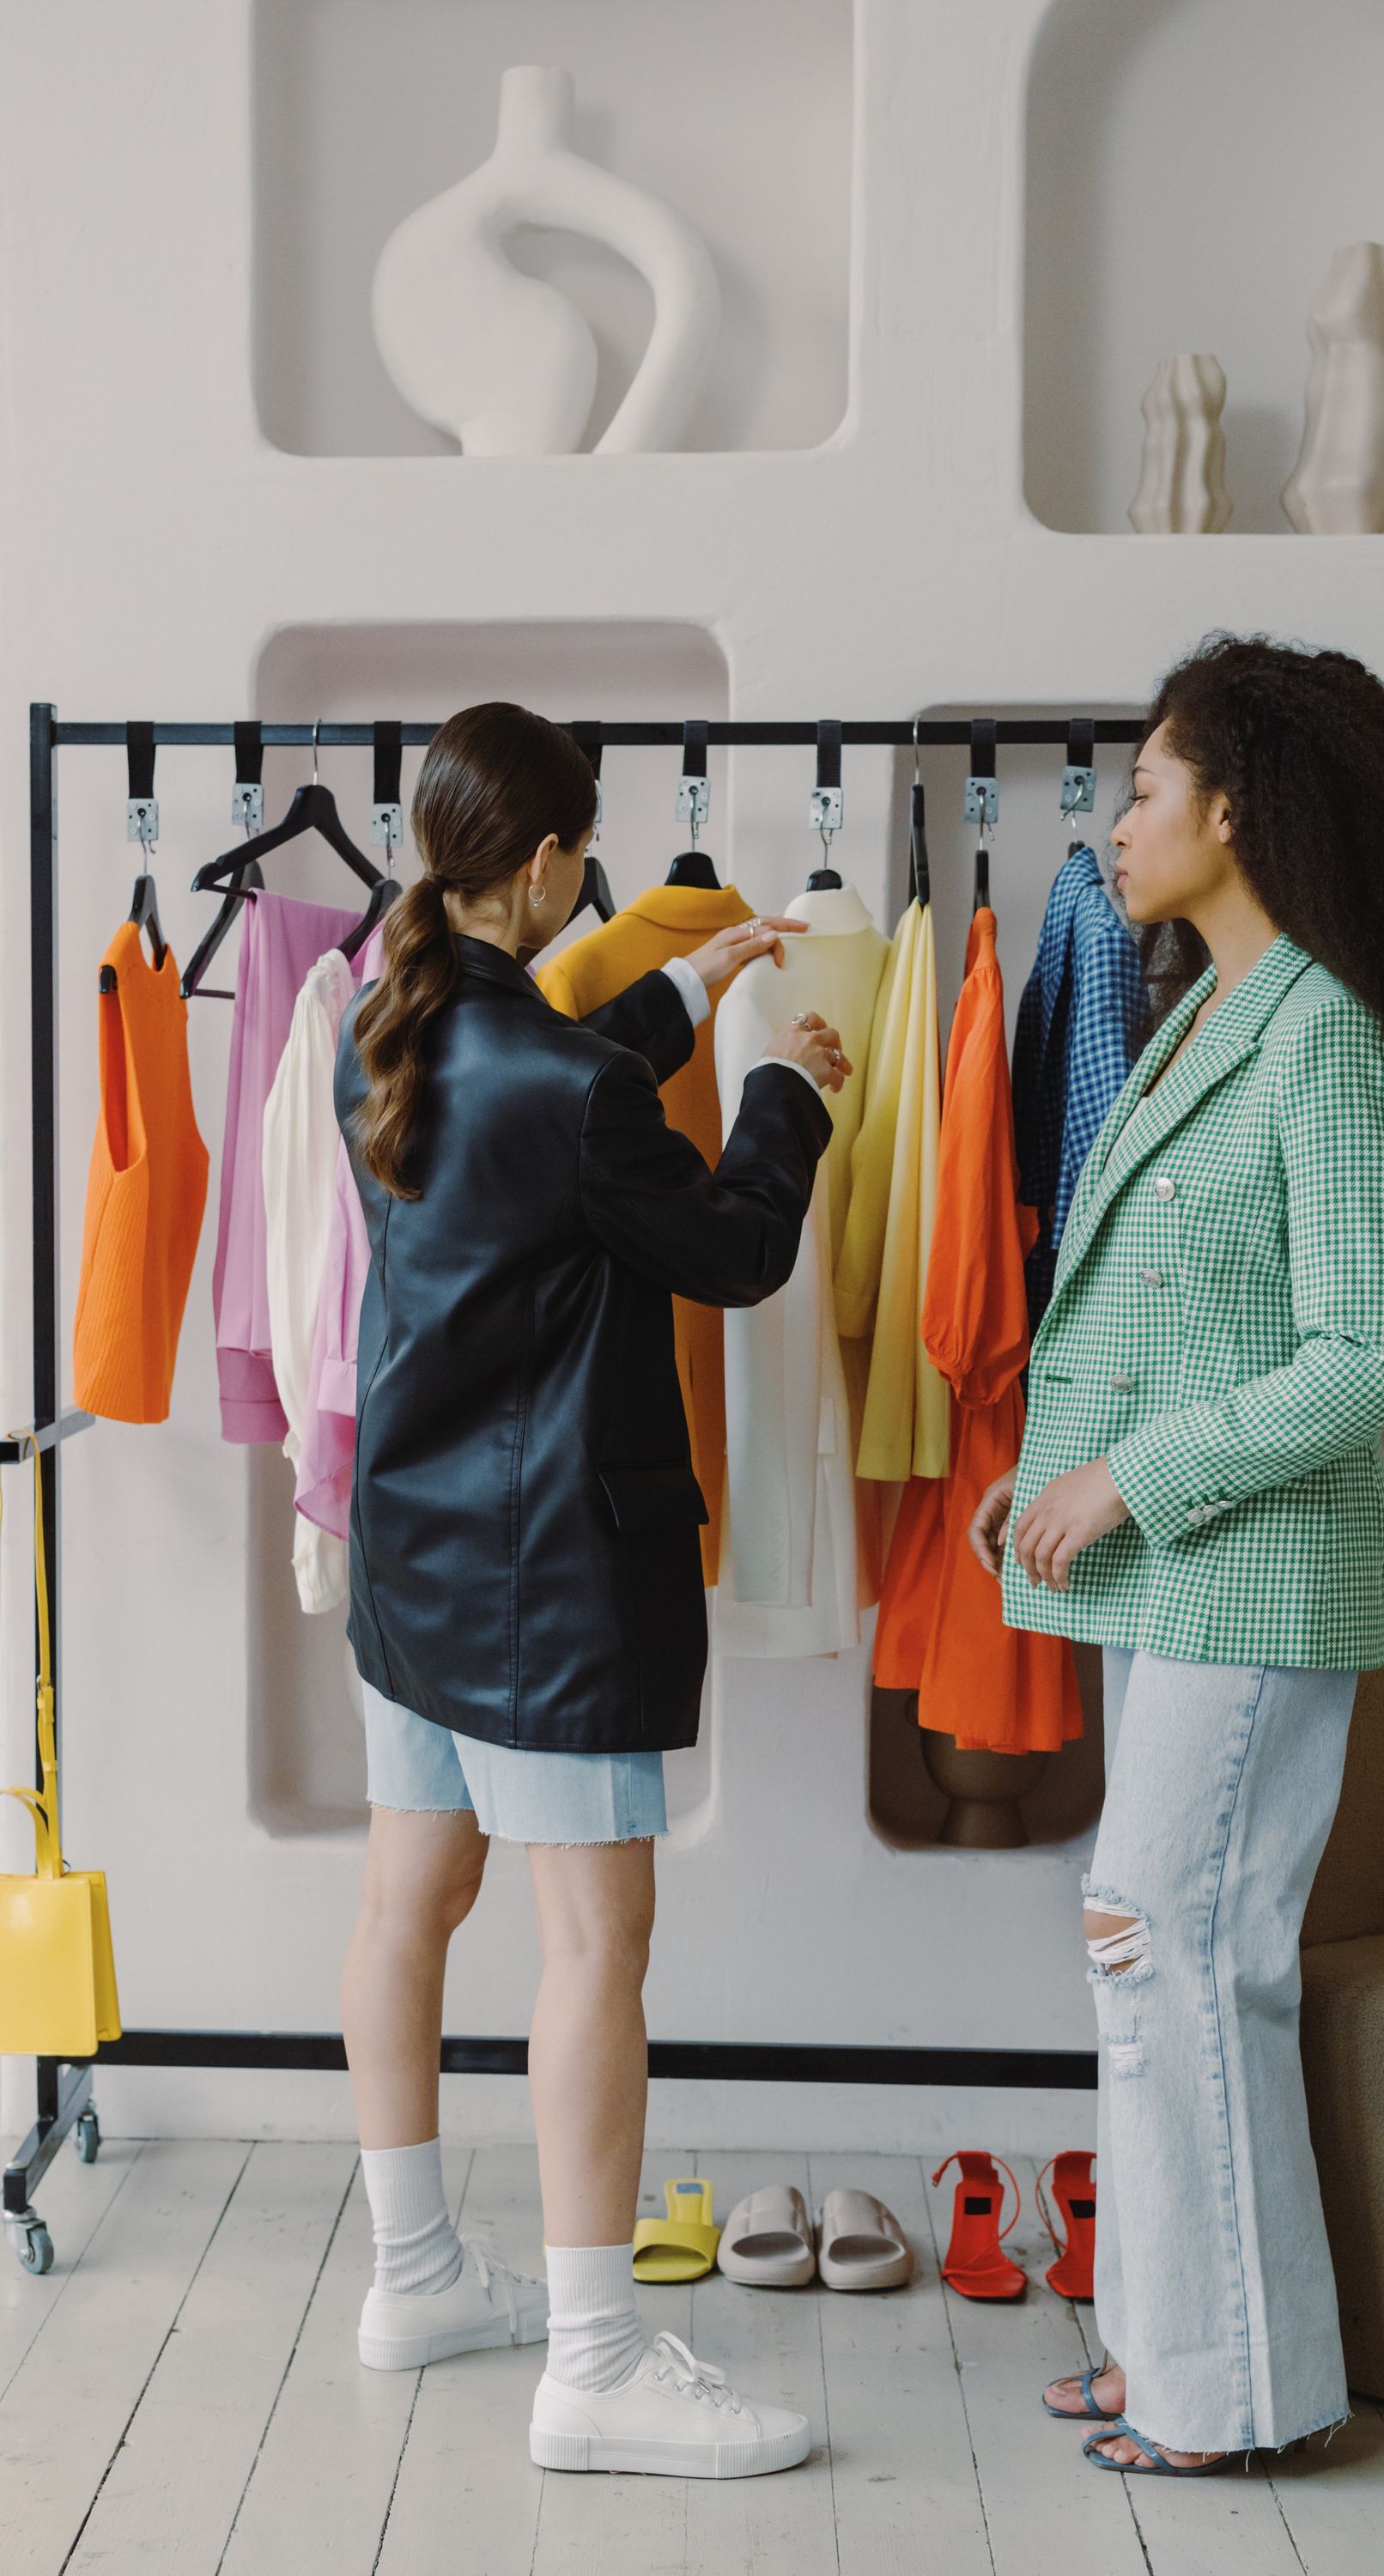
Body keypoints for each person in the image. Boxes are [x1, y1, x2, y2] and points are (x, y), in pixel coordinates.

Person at [969, 635, 1384, 2478]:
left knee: (1181, 1956)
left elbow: (1368, 1355)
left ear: (1233, 809)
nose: (1115, 824)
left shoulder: (1325, 1038)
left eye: (1143, 787)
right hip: (1180, 1577)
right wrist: (1047, 1481)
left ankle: (1222, 2398)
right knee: (1152, 1958)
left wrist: (1128, 1477)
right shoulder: (1210, 1014)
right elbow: (1163, 1311)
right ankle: (1167, 2350)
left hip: (1253, 1577)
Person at [332, 701, 850, 2481]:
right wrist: (786, 1095)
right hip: (546, 1576)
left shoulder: (383, 1029)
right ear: (553, 862)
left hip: (411, 1563)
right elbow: (732, 1246)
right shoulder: (557, 1087)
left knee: (406, 1906)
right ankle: (597, 2366)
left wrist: (686, 992)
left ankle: (414, 2278)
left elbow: (548, 1092)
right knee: (594, 1952)